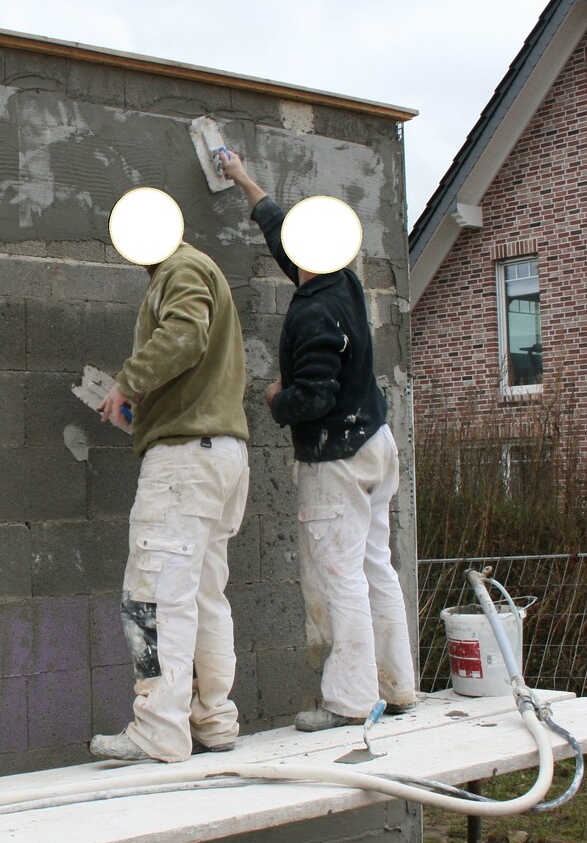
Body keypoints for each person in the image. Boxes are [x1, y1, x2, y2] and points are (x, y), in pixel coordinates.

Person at [219, 149, 418, 731]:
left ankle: (350, 701)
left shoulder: (312, 316)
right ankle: (397, 687)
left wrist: (275, 397)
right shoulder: (343, 281)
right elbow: (286, 235)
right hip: (375, 444)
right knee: (374, 565)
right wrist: (244, 181)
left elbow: (313, 397)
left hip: (338, 457)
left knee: (338, 576)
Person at [91, 187, 251, 763]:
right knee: (205, 595)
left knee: (154, 593)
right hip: (221, 453)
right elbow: (194, 350)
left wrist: (128, 381)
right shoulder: (203, 270)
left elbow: (185, 335)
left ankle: (159, 727)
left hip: (185, 460)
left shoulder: (179, 268)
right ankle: (213, 720)